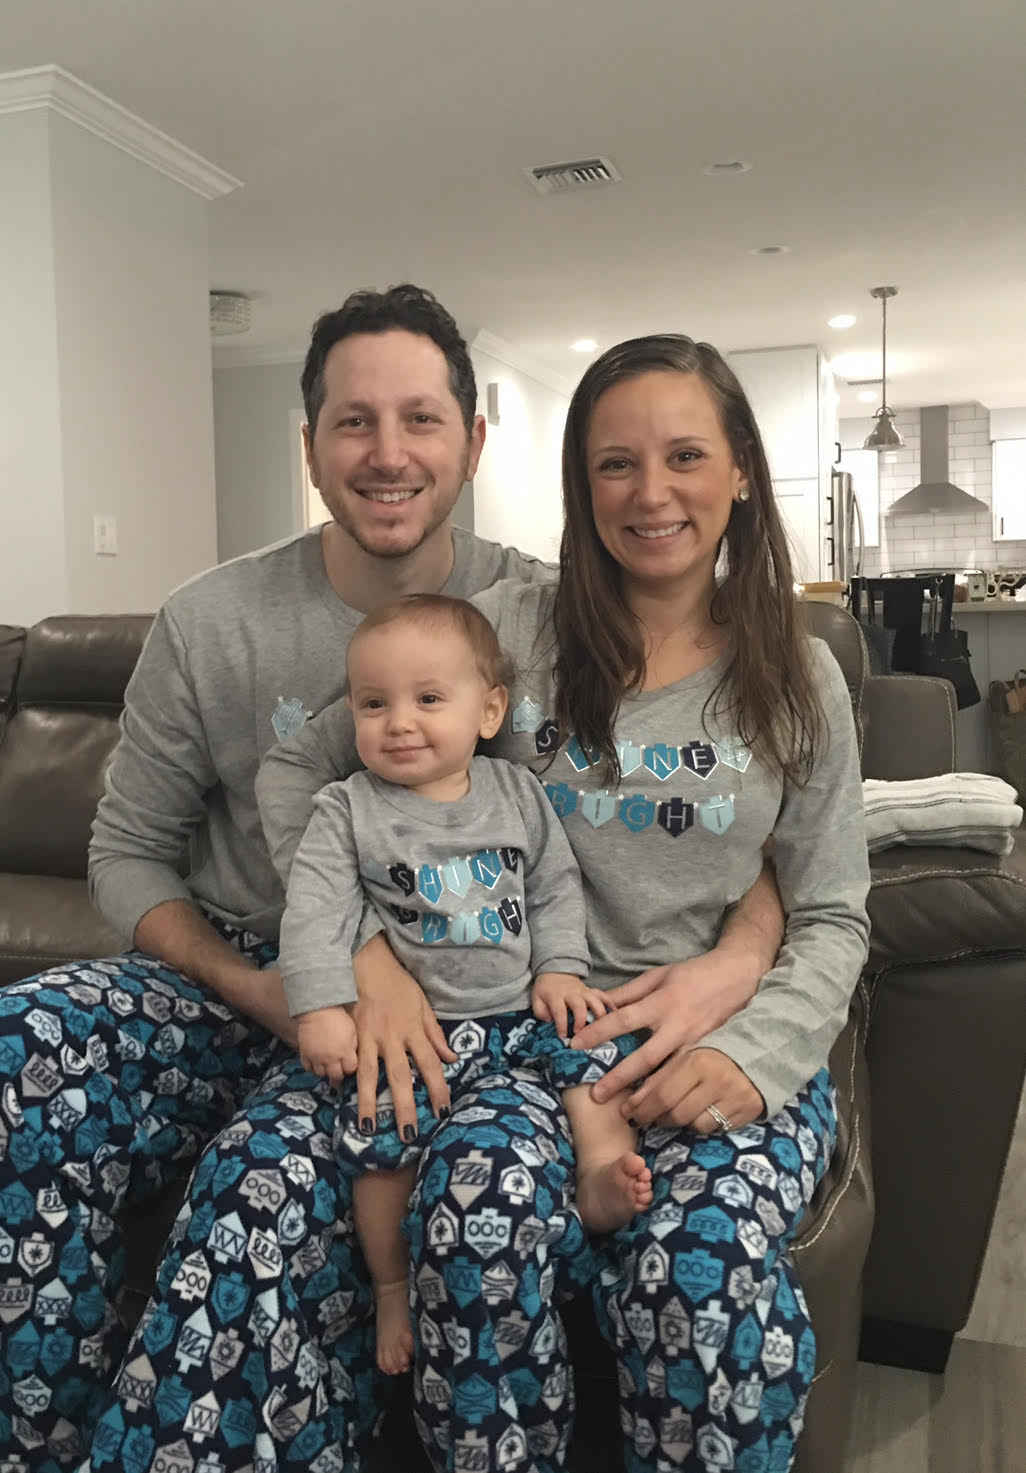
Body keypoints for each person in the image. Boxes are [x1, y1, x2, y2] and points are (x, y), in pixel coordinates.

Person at [0, 284, 781, 1473]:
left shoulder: (539, 613)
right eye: (354, 422)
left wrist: (745, 945)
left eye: (421, 420)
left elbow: (702, 822)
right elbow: (125, 854)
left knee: (272, 1214)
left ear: (473, 443)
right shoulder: (211, 621)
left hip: (459, 1016)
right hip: (241, 979)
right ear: (308, 446)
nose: (388, 453)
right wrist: (306, 982)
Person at [254, 334, 871, 1472]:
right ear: (581, 489)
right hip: (529, 1039)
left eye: (685, 454)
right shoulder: (515, 631)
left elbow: (833, 908)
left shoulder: (800, 673)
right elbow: (308, 775)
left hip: (721, 1046)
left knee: (705, 1262)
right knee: (472, 1222)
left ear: (741, 469)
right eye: (614, 465)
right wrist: (366, 954)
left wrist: (755, 1038)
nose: (650, 493)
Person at [279, 593, 652, 1375]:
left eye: (427, 699)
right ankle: (389, 1288)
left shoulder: (516, 793)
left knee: (593, 1056)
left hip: (518, 1012)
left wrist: (560, 969)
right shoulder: (345, 810)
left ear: (489, 712)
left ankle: (597, 1176)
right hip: (420, 1036)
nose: (399, 722)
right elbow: (313, 911)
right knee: (381, 1150)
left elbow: (554, 886)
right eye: (373, 704)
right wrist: (318, 1006)